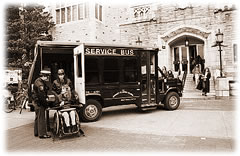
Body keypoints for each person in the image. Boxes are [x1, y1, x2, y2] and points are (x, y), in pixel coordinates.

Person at [33, 70, 51, 139]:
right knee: (41, 118)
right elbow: (41, 96)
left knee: (38, 117)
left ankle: (36, 132)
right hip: (39, 102)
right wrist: (46, 105)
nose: (47, 78)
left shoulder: (38, 81)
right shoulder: (40, 84)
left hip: (36, 101)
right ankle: (42, 134)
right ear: (43, 76)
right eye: (47, 77)